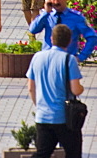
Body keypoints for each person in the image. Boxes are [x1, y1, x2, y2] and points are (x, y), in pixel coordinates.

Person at [28, 23, 84, 158]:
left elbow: (31, 88)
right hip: (64, 118)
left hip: (43, 116)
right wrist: (82, 88)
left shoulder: (37, 57)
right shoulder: (69, 60)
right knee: (73, 153)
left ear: (51, 39)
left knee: (42, 153)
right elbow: (76, 90)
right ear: (70, 41)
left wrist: (39, 106)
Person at [29, 0, 97, 59]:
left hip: (66, 60)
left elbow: (92, 37)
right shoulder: (47, 16)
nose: (56, 2)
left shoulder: (76, 18)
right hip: (48, 58)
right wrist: (45, 13)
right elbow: (33, 30)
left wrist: (81, 57)